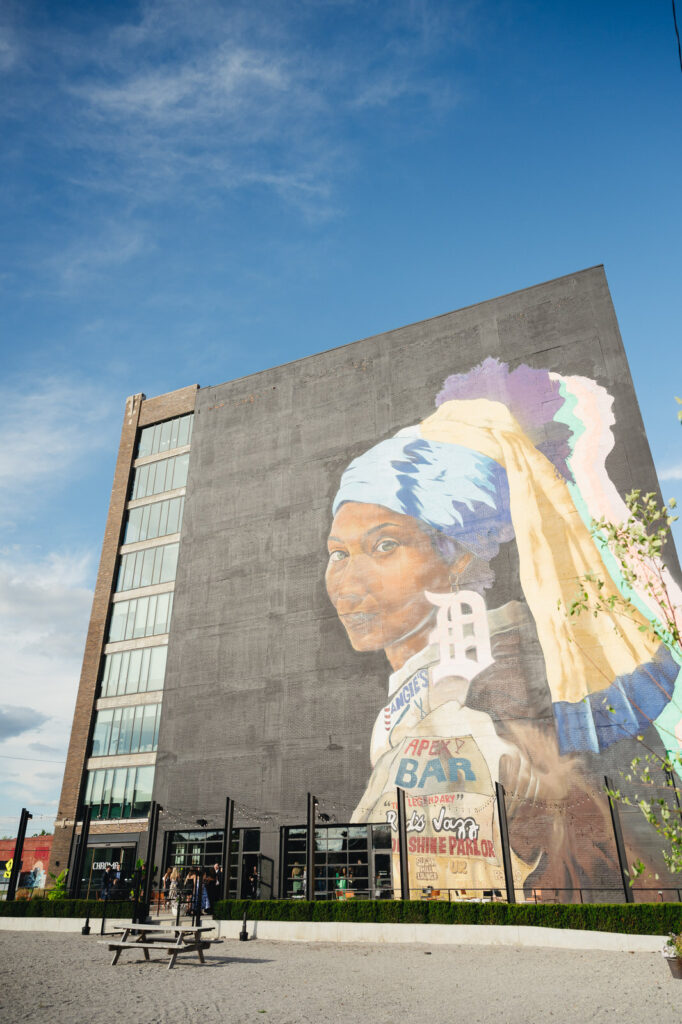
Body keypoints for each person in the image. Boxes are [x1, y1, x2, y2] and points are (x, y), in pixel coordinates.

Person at [325, 359, 681, 896]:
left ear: (460, 558)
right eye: (337, 554)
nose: (348, 583)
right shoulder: (421, 688)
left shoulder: (509, 691)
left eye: (385, 546)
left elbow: (617, 861)